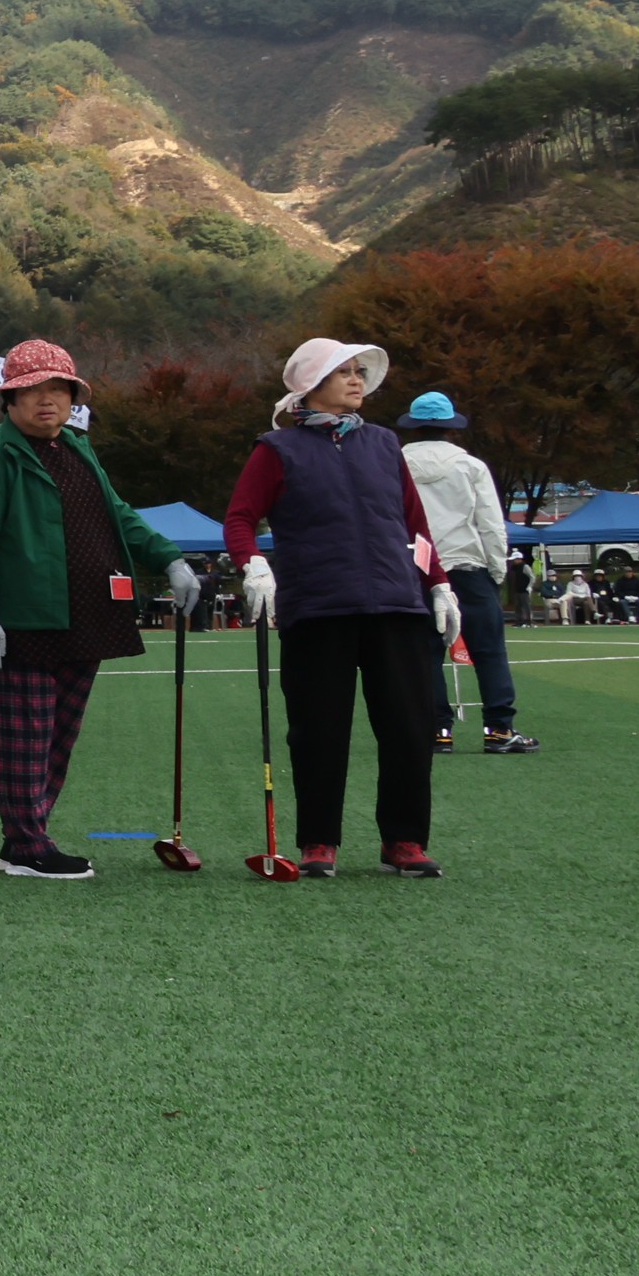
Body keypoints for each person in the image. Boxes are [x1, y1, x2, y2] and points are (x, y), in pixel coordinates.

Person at [0, 341, 196, 878]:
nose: (47, 401)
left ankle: (30, 834)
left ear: (72, 398)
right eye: (33, 390)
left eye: (58, 389)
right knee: (22, 733)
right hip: (23, 616)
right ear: (10, 398)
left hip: (88, 612)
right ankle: (25, 843)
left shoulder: (79, 448)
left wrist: (170, 559)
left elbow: (119, 515)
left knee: (59, 733)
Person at [225, 337, 459, 877]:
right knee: (318, 729)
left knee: (409, 726)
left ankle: (405, 840)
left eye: (360, 372)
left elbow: (414, 526)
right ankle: (318, 841)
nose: (357, 380)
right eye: (344, 372)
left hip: (397, 604)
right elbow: (239, 518)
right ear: (312, 384)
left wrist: (440, 584)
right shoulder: (276, 449)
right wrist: (253, 565)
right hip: (318, 607)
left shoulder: (383, 443)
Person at [397, 392, 535, 752]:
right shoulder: (470, 466)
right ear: (450, 428)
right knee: (489, 651)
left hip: (417, 569)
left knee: (424, 654)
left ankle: (437, 731)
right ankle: (499, 730)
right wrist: (496, 569)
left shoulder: (395, 464)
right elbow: (490, 523)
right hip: (467, 568)